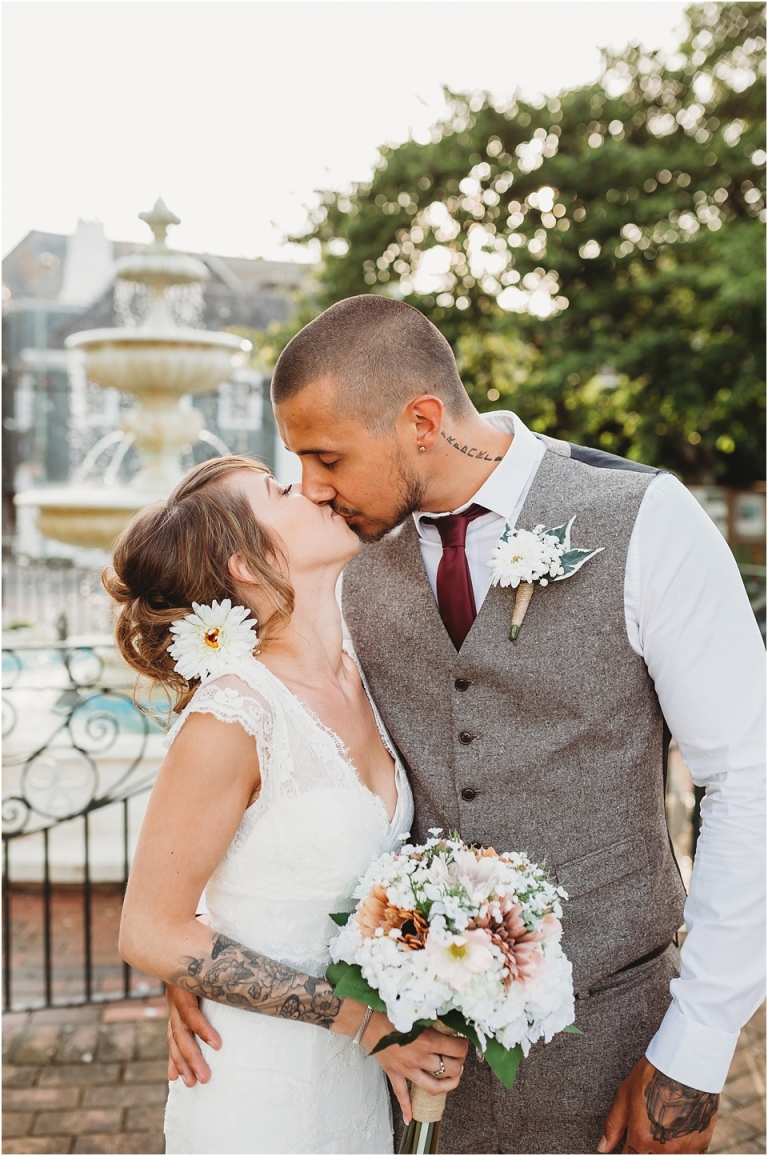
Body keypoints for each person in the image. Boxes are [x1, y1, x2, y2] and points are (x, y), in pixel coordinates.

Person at [166, 296, 765, 1154]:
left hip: (612, 1045)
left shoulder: (646, 522)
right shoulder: (334, 558)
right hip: (401, 1066)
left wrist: (696, 1048)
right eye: (298, 463)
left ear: (421, 422)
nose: (312, 486)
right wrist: (201, 958)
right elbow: (270, 734)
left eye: (326, 456)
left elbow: (748, 781)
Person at [107, 454, 469, 1155]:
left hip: (355, 1089)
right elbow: (149, 932)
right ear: (247, 563)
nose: (311, 487)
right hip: (258, 1087)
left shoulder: (360, 667)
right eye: (279, 490)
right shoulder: (234, 716)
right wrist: (371, 1027)